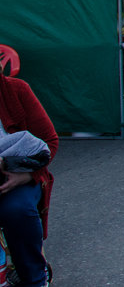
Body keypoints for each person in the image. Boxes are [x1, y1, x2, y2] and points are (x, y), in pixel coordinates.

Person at [0, 68, 57, 287]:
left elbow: (49, 141)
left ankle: (35, 277)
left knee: (16, 210)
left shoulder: (16, 90)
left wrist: (27, 175)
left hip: (20, 175)